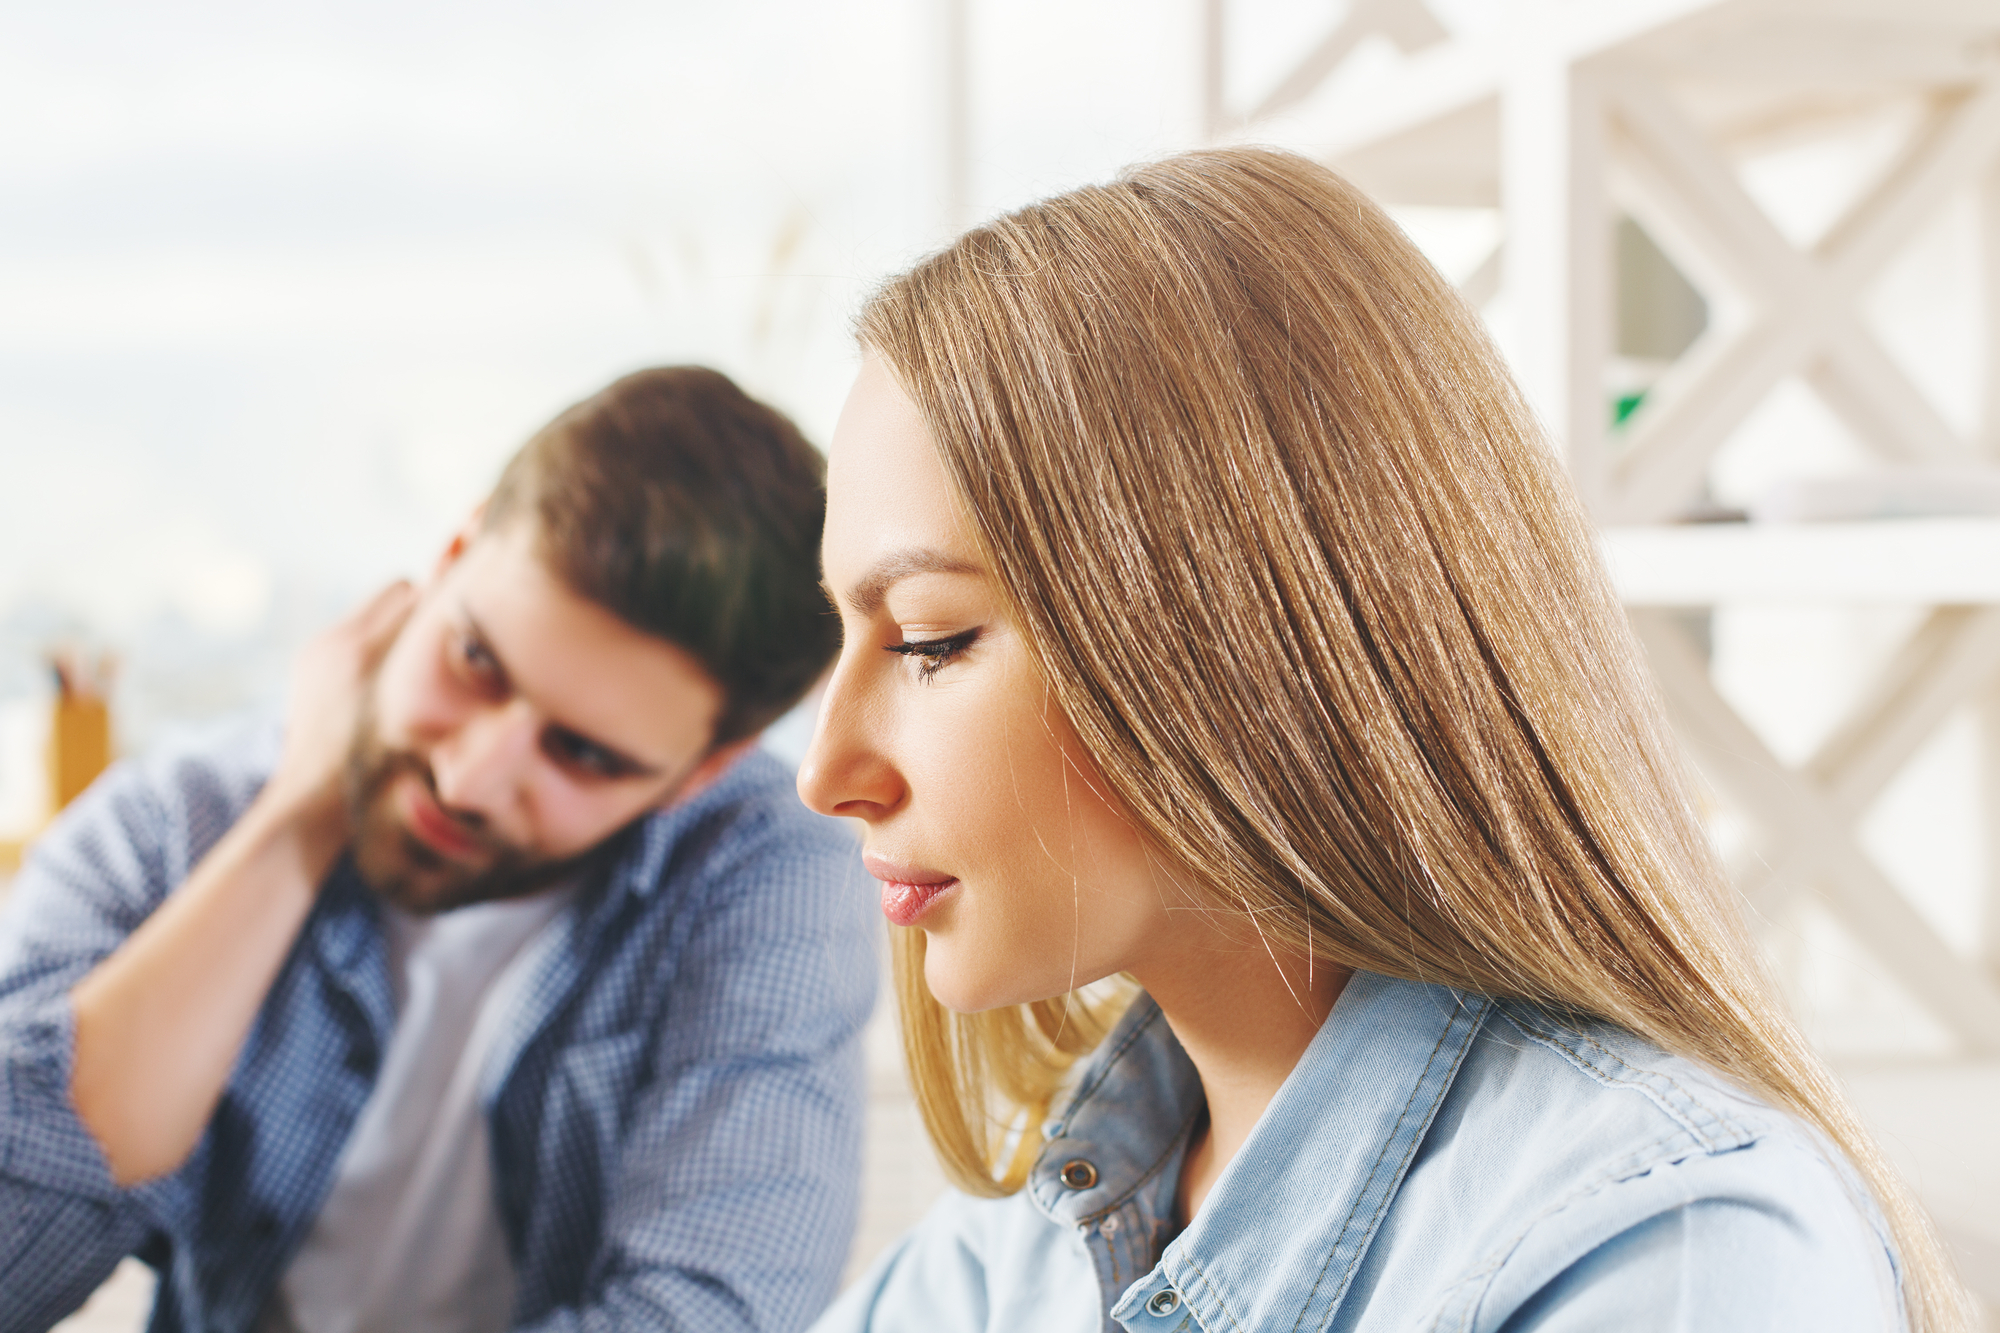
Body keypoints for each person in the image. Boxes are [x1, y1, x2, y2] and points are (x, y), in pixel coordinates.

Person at [798, 148, 1971, 1331]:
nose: (823, 771)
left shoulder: (1665, 1251)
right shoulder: (1019, 1249)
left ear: (1233, 642)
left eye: (928, 638)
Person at [0, 367, 875, 1333]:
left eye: (582, 754)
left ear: (704, 768)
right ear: (455, 553)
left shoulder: (762, 878)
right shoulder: (176, 822)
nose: (467, 778)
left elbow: (702, 1318)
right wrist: (296, 822)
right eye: (475, 662)